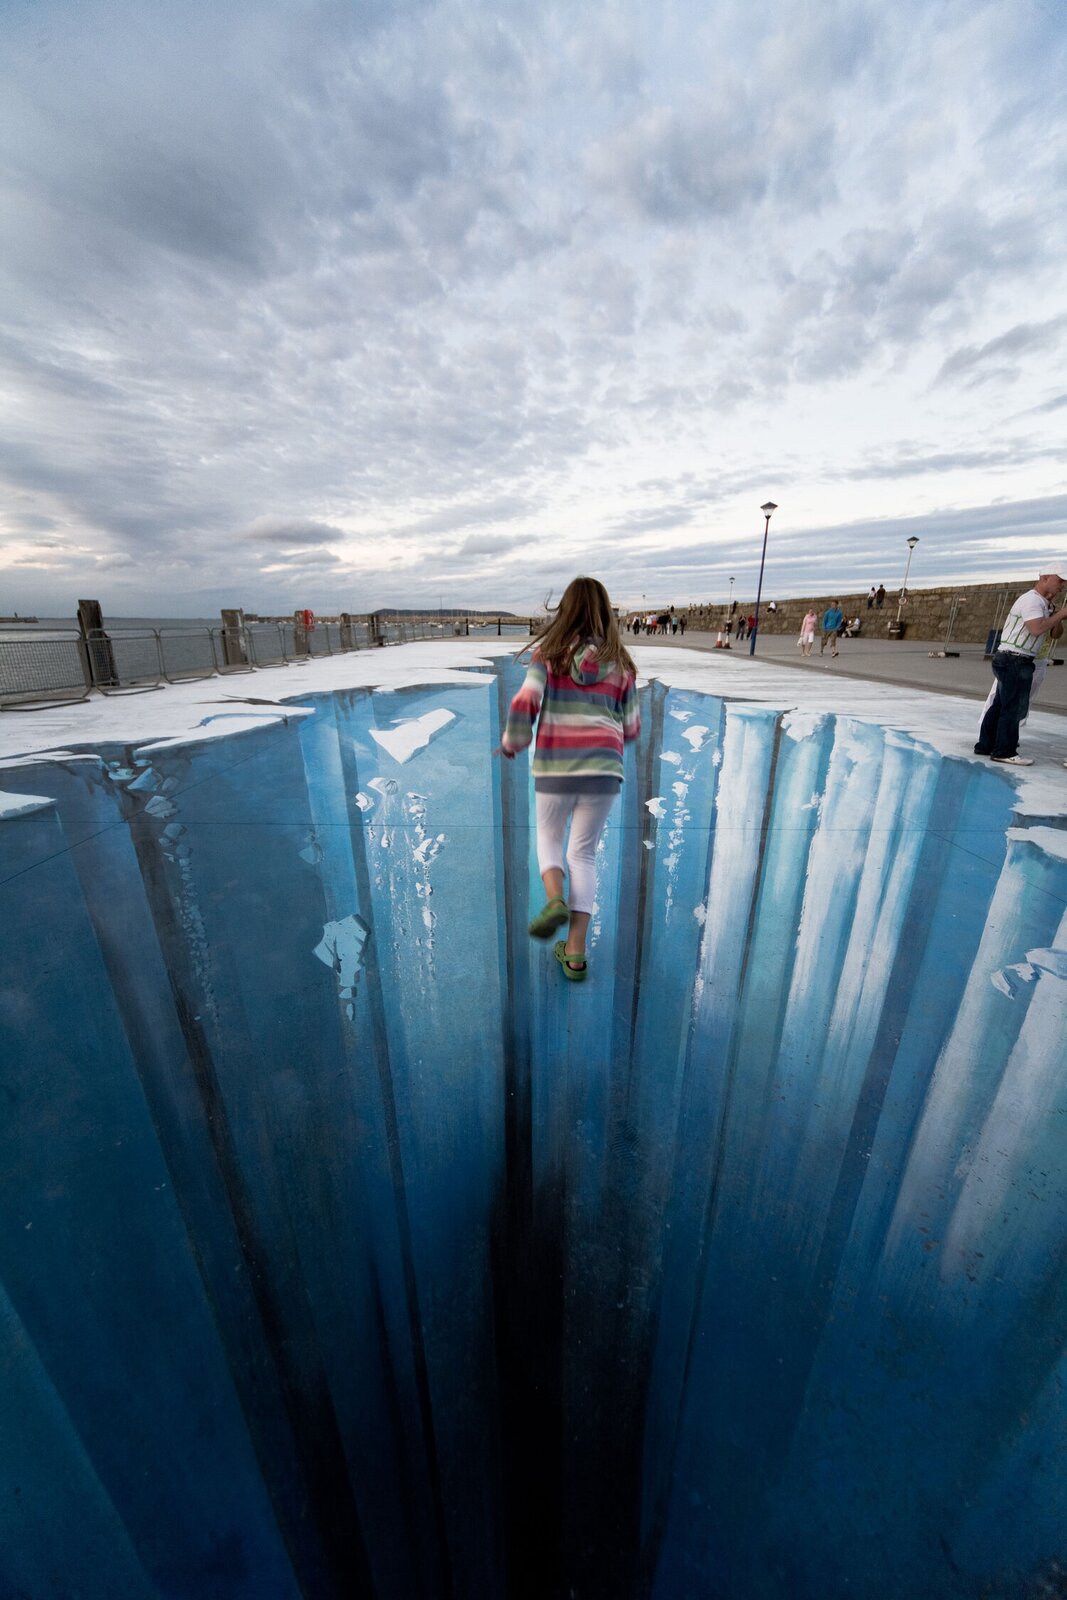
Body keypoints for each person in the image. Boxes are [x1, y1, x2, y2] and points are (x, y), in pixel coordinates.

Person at [500, 576, 640, 981]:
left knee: (548, 838)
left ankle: (554, 899)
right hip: (604, 768)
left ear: (564, 610)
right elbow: (631, 727)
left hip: (556, 764)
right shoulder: (623, 664)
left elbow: (527, 699)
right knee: (583, 854)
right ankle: (575, 954)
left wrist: (514, 740)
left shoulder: (549, 654)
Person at [974, 570, 1067, 765]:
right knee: (1013, 707)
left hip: (1012, 658)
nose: (1063, 585)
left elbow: (1055, 633)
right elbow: (1036, 629)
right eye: (1060, 580)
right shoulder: (1032, 601)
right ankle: (1004, 750)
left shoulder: (1043, 603)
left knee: (1001, 703)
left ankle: (986, 744)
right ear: (1045, 578)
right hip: (1015, 658)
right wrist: (1061, 614)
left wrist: (1057, 615)